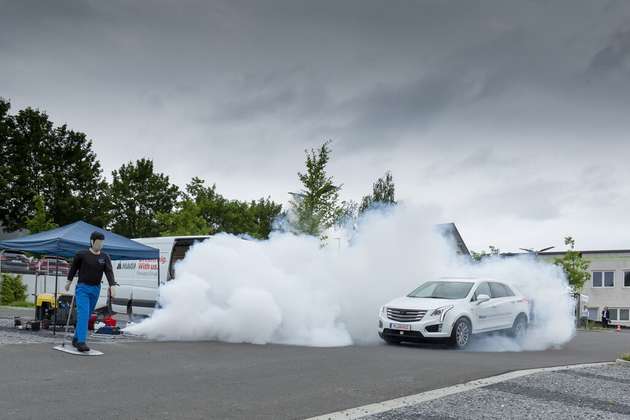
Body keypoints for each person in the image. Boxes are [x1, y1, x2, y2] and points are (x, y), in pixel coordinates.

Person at [65, 231, 118, 352]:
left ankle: (76, 338)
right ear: (92, 242)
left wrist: (112, 285)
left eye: (102, 243)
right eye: (98, 242)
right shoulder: (81, 254)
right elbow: (73, 268)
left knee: (88, 315)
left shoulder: (105, 257)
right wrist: (69, 281)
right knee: (83, 314)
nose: (100, 245)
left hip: (96, 289)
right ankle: (81, 342)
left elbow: (109, 272)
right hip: (83, 288)